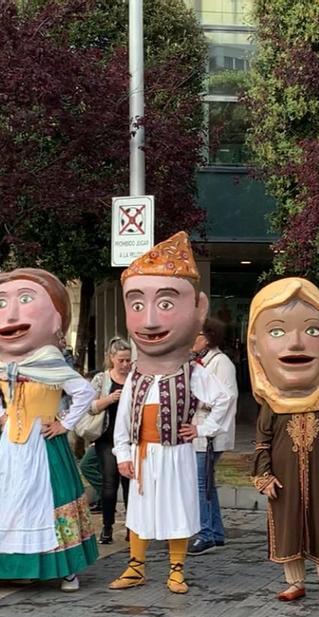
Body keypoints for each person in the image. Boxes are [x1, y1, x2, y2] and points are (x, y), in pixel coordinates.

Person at [109, 232, 233, 594]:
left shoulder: (192, 372)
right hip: (144, 454)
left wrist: (204, 428)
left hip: (176, 453)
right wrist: (123, 453)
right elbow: (124, 416)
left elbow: (223, 398)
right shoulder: (136, 374)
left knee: (177, 509)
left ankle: (176, 570)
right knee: (140, 513)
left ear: (198, 309)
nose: (148, 322)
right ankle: (136, 566)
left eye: (165, 304)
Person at [0, 268, 98, 591]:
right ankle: (17, 563)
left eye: (26, 300)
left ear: (57, 321)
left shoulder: (51, 361)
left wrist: (65, 423)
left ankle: (66, 568)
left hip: (43, 444)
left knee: (50, 502)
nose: (12, 315)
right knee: (11, 502)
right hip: (12, 448)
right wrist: (0, 415)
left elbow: (84, 392)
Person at [249, 278, 319, 608]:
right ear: (255, 346)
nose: (295, 344)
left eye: (312, 330)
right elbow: (262, 443)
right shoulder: (271, 403)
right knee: (287, 525)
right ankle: (294, 582)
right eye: (278, 332)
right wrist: (264, 476)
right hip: (283, 478)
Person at [189, 319, 237, 556]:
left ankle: (205, 532)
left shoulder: (220, 363)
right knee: (207, 483)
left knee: (201, 484)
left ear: (207, 337)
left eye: (195, 334)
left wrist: (198, 404)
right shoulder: (201, 362)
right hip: (200, 431)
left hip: (209, 434)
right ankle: (216, 532)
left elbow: (226, 398)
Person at [88, 337, 133, 545]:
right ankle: (107, 527)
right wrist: (110, 399)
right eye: (121, 360)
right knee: (109, 483)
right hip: (107, 438)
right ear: (112, 358)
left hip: (130, 439)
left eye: (128, 360)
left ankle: (132, 528)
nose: (125, 365)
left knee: (130, 485)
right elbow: (89, 406)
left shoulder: (135, 378)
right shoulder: (101, 379)